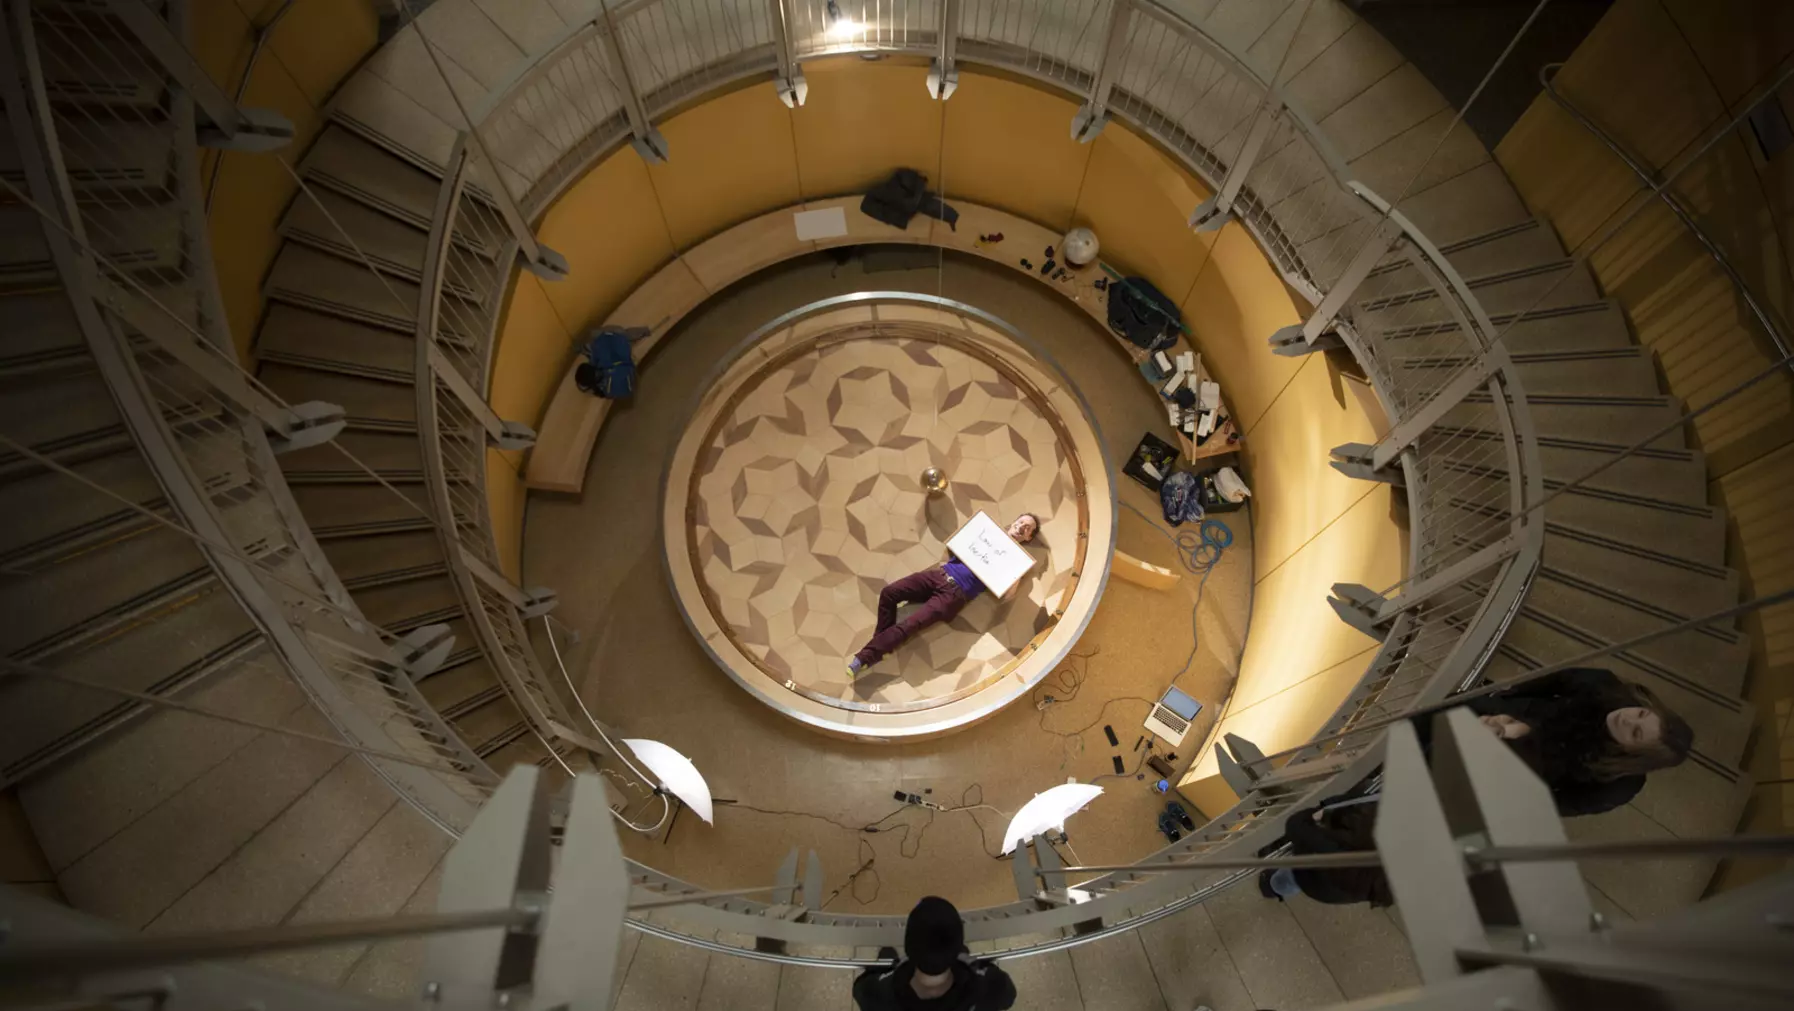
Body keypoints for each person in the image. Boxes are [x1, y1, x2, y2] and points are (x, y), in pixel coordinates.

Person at [1468, 667, 1692, 817]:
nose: (1627, 718)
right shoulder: (1605, 686)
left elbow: (1552, 804)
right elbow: (1557, 680)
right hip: (1512, 712)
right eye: (1641, 713)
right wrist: (1504, 694)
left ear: (1635, 753)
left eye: (1635, 733)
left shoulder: (1619, 785)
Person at [847, 514, 1038, 676]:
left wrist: (1017, 572)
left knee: (910, 624)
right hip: (939, 575)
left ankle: (862, 659)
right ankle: (882, 645)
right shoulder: (986, 532)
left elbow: (1007, 597)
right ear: (1014, 522)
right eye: (1021, 522)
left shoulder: (1016, 562)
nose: (1022, 527)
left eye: (1027, 528)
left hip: (955, 595)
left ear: (1029, 537)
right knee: (890, 593)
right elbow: (954, 544)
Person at [852, 896, 1017, 1011]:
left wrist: (886, 971)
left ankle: (886, 968)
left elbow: (861, 987)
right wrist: (973, 965)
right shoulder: (993, 986)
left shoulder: (876, 995)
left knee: (880, 969)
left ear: (908, 948)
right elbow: (1008, 999)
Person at [1258, 794, 1392, 907]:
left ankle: (1274, 884)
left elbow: (1297, 827)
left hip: (1321, 872)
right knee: (1298, 875)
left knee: (1296, 872)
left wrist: (1320, 810)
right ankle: (1276, 885)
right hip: (1331, 888)